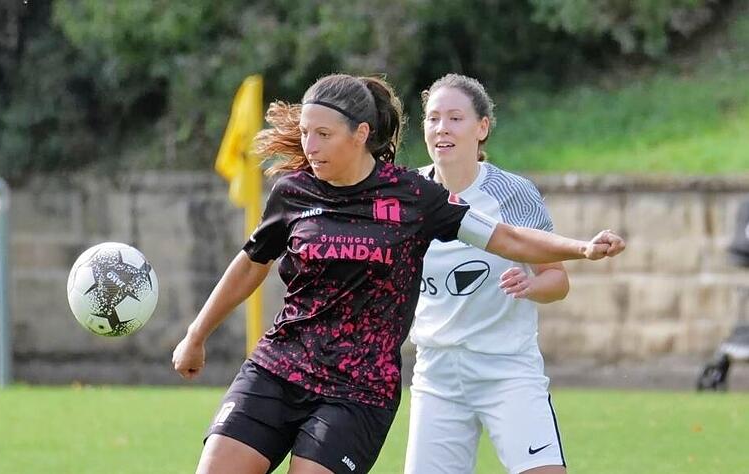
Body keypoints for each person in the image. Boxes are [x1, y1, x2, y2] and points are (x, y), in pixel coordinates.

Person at [172, 73, 625, 474]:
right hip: (283, 368)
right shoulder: (294, 191)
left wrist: (581, 249)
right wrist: (197, 333)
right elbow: (251, 262)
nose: (309, 146)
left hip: (361, 387)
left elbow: (506, 238)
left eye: (323, 134)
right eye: (306, 133)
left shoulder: (414, 197)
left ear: (360, 133)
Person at [405, 73, 574, 474]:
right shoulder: (407, 192)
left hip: (507, 370)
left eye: (455, 118)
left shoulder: (513, 192)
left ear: (482, 128)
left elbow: (558, 279)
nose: (442, 127)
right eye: (432, 118)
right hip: (436, 375)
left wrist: (532, 286)